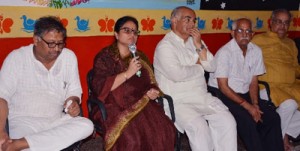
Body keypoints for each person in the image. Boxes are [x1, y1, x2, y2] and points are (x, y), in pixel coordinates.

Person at [0, 16, 93, 151]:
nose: (56, 49)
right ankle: (30, 143)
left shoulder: (68, 57)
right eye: (51, 43)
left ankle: (20, 145)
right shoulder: (17, 58)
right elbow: (2, 97)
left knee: (87, 125)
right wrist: (1, 131)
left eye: (60, 44)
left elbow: (74, 90)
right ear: (36, 40)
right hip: (23, 123)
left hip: (55, 122)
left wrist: (73, 102)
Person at [153, 6, 236, 151]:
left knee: (227, 120)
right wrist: (199, 67)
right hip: (178, 101)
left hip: (200, 97)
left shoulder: (195, 41)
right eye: (188, 19)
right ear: (174, 21)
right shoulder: (165, 46)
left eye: (194, 20)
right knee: (199, 127)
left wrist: (199, 45)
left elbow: (211, 66)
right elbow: (177, 75)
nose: (192, 24)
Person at [91, 16, 176, 151]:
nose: (132, 34)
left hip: (141, 101)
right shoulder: (105, 57)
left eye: (135, 32)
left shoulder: (140, 56)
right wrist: (127, 73)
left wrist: (152, 91)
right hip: (113, 105)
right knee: (132, 138)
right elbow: (100, 87)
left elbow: (150, 81)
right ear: (116, 34)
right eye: (127, 30)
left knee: (165, 129)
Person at [208, 18, 284, 151]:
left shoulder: (256, 51)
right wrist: (248, 107)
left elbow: (254, 80)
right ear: (232, 33)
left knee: (272, 117)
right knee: (247, 121)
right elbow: (223, 87)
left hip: (245, 93)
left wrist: (255, 103)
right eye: (240, 30)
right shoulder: (225, 53)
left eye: (248, 31)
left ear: (252, 34)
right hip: (224, 94)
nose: (245, 34)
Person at [252, 8, 300, 151]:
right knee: (290, 104)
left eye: (286, 23)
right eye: (279, 22)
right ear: (271, 22)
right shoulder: (258, 40)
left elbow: (295, 67)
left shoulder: (291, 43)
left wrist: (291, 71)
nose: (282, 26)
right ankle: (277, 143)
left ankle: (282, 133)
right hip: (267, 87)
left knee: (291, 103)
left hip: (290, 86)